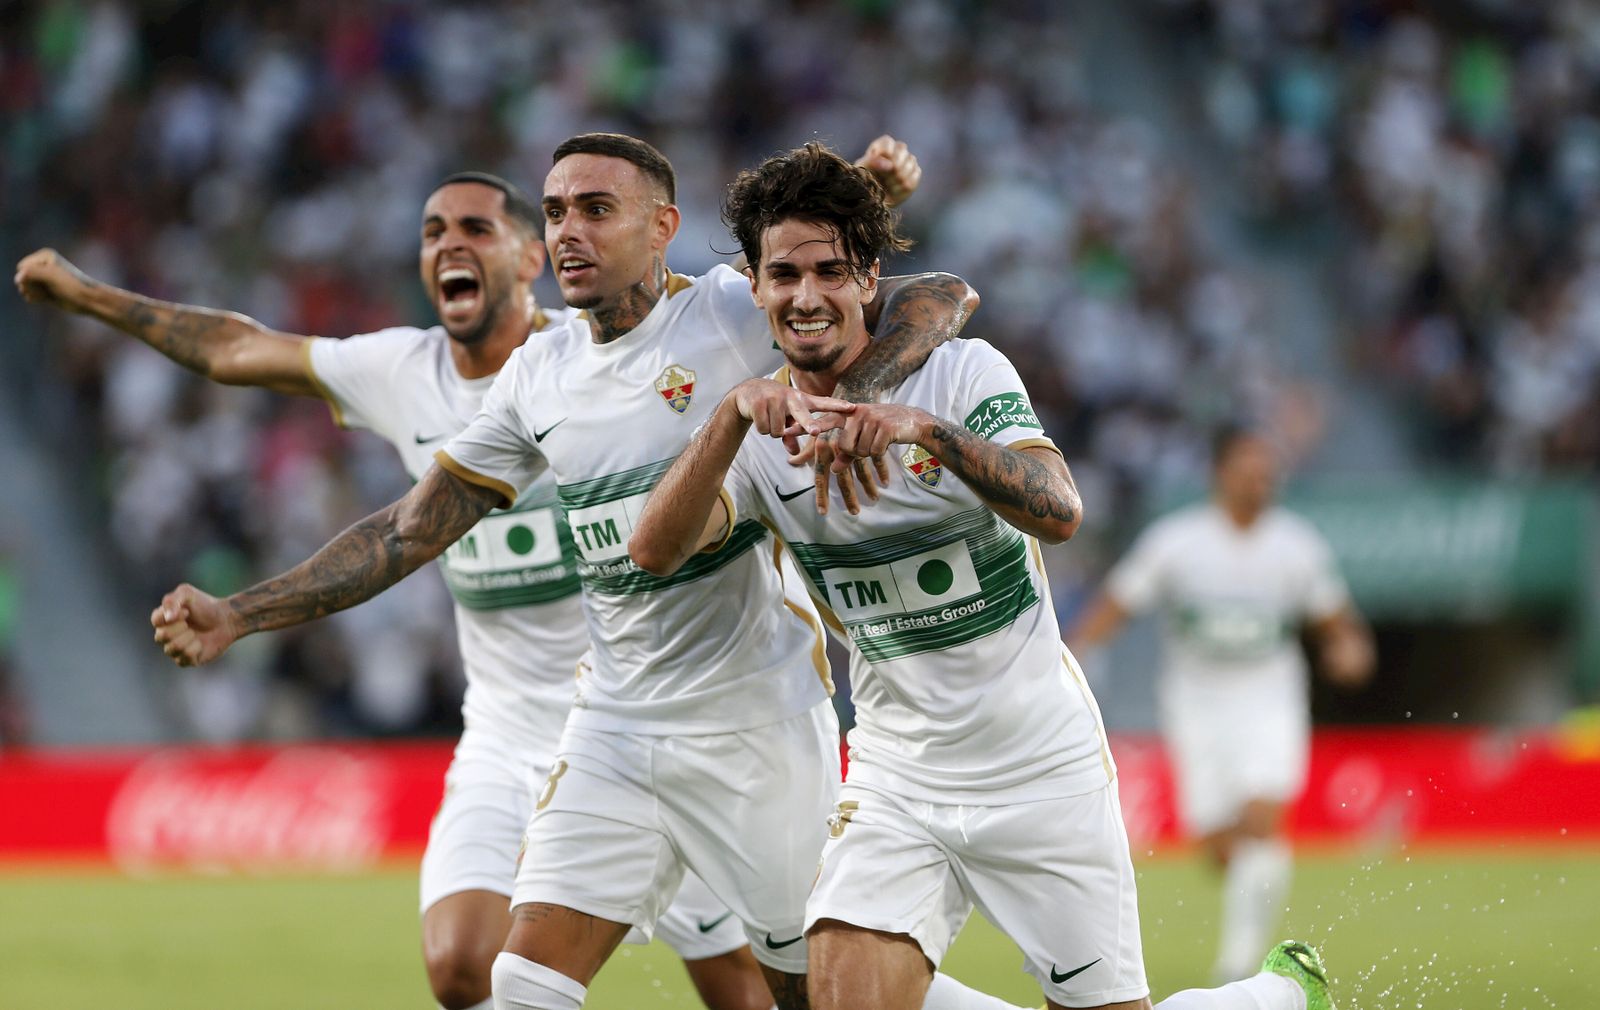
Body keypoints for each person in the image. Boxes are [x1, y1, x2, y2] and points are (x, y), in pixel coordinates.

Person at [144, 133, 1005, 1010]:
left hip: (757, 726)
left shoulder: (725, 314)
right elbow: (409, 530)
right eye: (555, 212)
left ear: (662, 226)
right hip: (616, 726)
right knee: (519, 983)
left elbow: (939, 293)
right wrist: (242, 614)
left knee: (815, 997)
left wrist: (857, 399)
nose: (568, 232)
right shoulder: (537, 375)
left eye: (597, 210)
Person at [14, 172, 768, 1010]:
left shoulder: (596, 362)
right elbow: (237, 348)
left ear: (530, 259)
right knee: (459, 967)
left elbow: (744, 317)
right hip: (506, 732)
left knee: (746, 991)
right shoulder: (402, 372)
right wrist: (87, 296)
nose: (448, 243)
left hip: (646, 720)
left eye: (476, 228)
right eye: (432, 230)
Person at [628, 141, 1341, 1010]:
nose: (806, 296)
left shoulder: (961, 372)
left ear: (868, 279)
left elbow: (1058, 506)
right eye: (782, 275)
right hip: (898, 773)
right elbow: (653, 551)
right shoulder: (758, 430)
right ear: (755, 281)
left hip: (1041, 764)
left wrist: (925, 432)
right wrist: (729, 415)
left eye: (830, 271)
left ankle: (1270, 998)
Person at [1067, 426, 1375, 984]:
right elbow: (1120, 600)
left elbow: (1334, 617)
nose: (1261, 480)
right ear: (1220, 474)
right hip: (1197, 707)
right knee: (1217, 846)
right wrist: (1075, 652)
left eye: (1268, 470)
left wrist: (1347, 646)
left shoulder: (1295, 545)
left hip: (1269, 700)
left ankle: (1239, 965)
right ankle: (1242, 911)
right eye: (1249, 468)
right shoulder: (1178, 542)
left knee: (1263, 817)